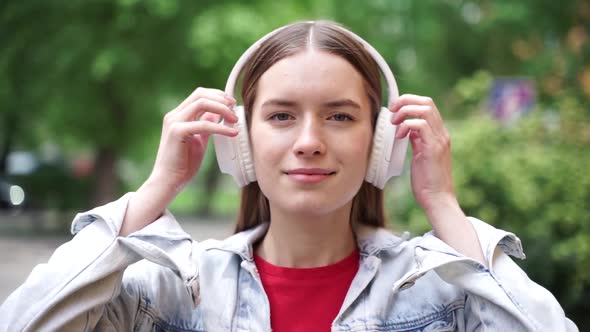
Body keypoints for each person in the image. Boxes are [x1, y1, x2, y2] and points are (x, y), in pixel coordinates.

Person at [0, 20, 578, 332]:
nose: (309, 141)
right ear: (241, 145)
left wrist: (443, 205)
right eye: (280, 116)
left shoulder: (443, 294)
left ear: (380, 145)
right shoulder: (173, 292)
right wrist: (156, 190)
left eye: (340, 116)